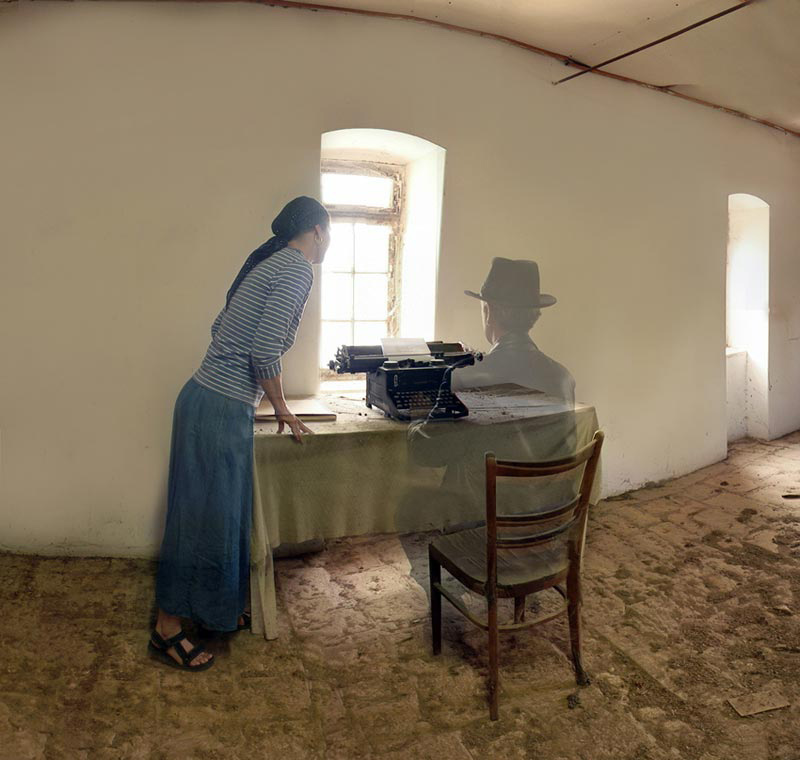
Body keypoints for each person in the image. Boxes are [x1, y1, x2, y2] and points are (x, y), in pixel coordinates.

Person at [148, 196, 330, 671]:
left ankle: (216, 610)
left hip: (208, 400)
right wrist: (281, 406)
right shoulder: (296, 268)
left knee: (223, 518)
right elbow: (265, 349)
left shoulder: (268, 262)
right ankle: (167, 629)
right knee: (201, 520)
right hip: (218, 408)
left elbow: (220, 327)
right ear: (317, 230)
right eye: (328, 233)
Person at [451, 257, 574, 404]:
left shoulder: (463, 377)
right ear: (534, 314)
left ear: (489, 311)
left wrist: (460, 366)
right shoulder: (563, 377)